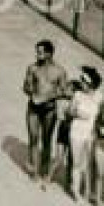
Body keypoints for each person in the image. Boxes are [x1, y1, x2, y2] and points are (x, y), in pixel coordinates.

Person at [22, 39, 69, 188]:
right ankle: (35, 172)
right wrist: (30, 90)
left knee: (47, 140)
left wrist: (50, 96)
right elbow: (25, 86)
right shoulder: (32, 68)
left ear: (49, 53)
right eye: (37, 51)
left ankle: (43, 169)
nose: (37, 54)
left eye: (40, 52)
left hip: (49, 109)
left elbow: (65, 91)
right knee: (34, 138)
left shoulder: (60, 71)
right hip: (33, 107)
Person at [67, 66, 103, 203]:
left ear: (91, 83)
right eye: (81, 80)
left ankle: (88, 191)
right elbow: (69, 112)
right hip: (76, 131)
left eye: (84, 81)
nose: (81, 83)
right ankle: (75, 190)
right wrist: (77, 113)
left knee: (88, 164)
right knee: (77, 162)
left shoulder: (100, 97)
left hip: (91, 133)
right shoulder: (77, 95)